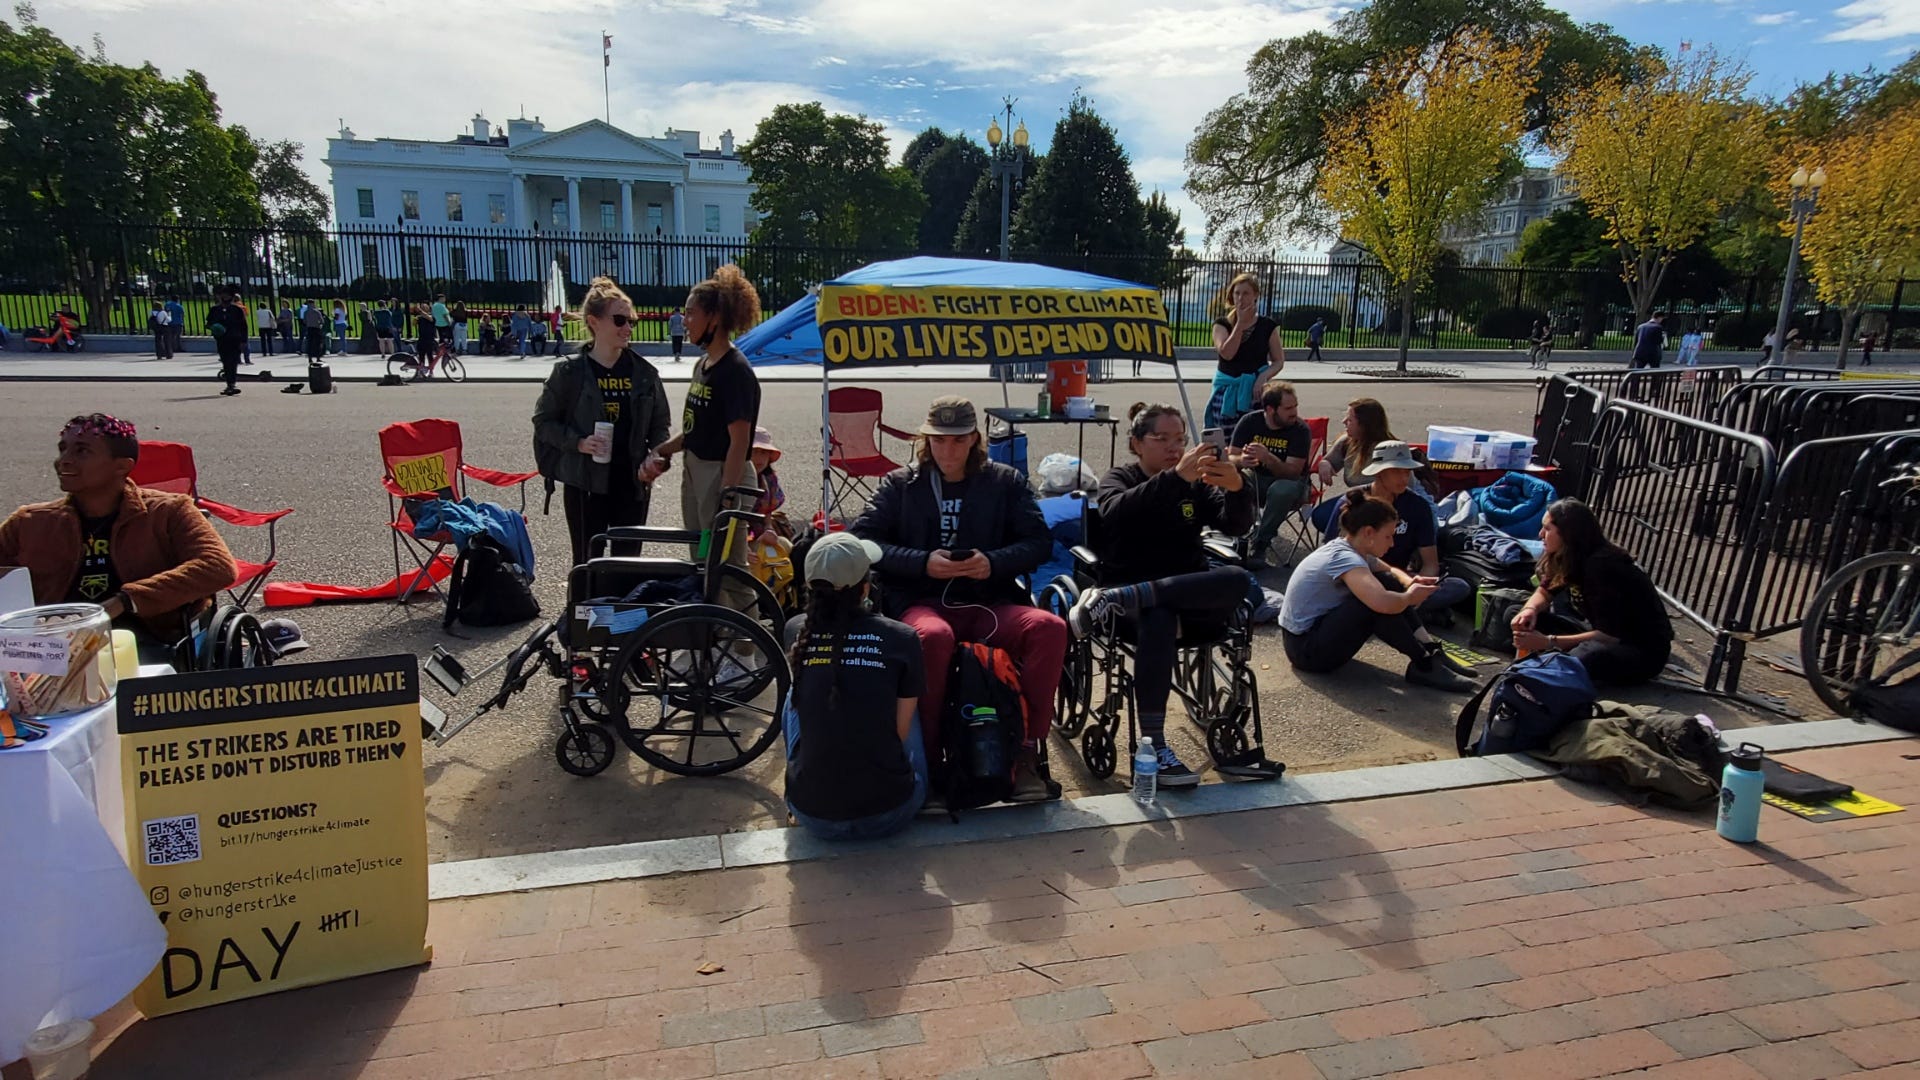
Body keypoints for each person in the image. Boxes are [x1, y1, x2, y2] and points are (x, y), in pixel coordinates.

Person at [850, 396, 1063, 804]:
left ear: (974, 440)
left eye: (957, 440)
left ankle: (1026, 756)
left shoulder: (1004, 481)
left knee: (1049, 628)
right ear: (925, 440)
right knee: (932, 637)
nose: (947, 450)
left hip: (989, 601)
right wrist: (922, 562)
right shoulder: (901, 484)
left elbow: (1039, 541)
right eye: (938, 440)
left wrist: (993, 562)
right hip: (921, 599)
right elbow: (864, 540)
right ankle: (928, 763)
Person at [1067, 402, 1256, 787]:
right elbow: (1115, 514)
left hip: (1185, 589)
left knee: (1237, 577)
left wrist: (1238, 488)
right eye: (1163, 439)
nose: (1175, 448)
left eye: (1181, 440)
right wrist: (1174, 479)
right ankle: (1152, 745)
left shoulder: (1198, 485)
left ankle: (1132, 595)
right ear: (1137, 443)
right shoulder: (1118, 478)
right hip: (1136, 601)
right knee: (1159, 616)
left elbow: (1235, 524)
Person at [0, 414, 238, 663]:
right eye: (63, 449)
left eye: (81, 451)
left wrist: (126, 600)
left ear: (122, 466)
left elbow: (217, 567)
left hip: (144, 638)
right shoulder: (30, 521)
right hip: (51, 645)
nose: (63, 461)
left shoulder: (168, 511)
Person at [782, 533, 927, 840]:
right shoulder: (902, 637)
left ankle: (799, 794)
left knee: (795, 692)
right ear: (865, 587)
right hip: (891, 812)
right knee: (905, 697)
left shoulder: (796, 630)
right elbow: (900, 733)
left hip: (813, 816)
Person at [642, 265, 763, 611]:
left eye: (691, 313)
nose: (685, 321)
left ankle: (744, 650)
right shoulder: (704, 365)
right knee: (702, 558)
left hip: (724, 474)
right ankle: (714, 634)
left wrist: (728, 493)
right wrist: (665, 449)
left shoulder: (736, 371)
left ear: (714, 317)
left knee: (728, 565)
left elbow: (739, 441)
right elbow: (697, 427)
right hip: (696, 470)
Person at [533, 277, 672, 568]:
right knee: (586, 561)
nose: (628, 328)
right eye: (620, 320)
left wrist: (655, 456)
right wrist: (579, 443)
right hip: (585, 482)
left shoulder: (644, 374)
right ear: (594, 322)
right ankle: (584, 611)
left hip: (631, 482)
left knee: (627, 563)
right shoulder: (569, 374)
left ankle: (620, 612)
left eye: (631, 321)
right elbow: (544, 424)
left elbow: (660, 426)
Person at [1279, 490, 1476, 691]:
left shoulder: (1351, 547)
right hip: (1305, 651)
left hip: (1308, 638)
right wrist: (1409, 597)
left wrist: (1408, 581)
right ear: (1368, 533)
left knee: (1387, 581)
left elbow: (1389, 570)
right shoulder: (1345, 559)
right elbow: (1381, 602)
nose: (1392, 543)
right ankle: (1423, 663)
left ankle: (1430, 649)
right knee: (1373, 605)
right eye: (1388, 536)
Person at [1510, 498, 1671, 687]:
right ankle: (1552, 657)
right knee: (1514, 614)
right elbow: (1546, 591)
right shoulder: (1569, 555)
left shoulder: (1602, 567)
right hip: (1597, 633)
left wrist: (1548, 642)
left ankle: (1553, 660)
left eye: (1547, 529)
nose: (1540, 534)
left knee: (1589, 657)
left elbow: (1608, 636)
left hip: (1638, 648)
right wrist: (1530, 610)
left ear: (1568, 534)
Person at [1347, 441, 1470, 617]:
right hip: (1359, 577)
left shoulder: (1418, 506)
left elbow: (1430, 563)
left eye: (1407, 472)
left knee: (1458, 586)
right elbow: (1333, 552)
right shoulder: (1354, 501)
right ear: (1379, 472)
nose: (1404, 478)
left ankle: (1399, 608)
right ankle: (1401, 611)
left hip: (1402, 577)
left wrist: (1417, 586)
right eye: (1397, 471)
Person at [1233, 381, 1312, 571]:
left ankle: (1260, 543)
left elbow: (1293, 473)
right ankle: (1236, 535)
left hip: (1293, 485)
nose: (1294, 412)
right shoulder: (1250, 422)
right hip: (1257, 478)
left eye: (1295, 406)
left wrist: (1267, 457)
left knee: (1281, 490)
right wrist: (1242, 460)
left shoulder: (1300, 430)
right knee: (1234, 479)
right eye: (1288, 408)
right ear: (1270, 409)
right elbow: (1230, 455)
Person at [1207, 273, 1285, 430]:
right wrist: (1240, 325)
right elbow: (1227, 353)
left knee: (1253, 441)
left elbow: (1278, 361)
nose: (1240, 298)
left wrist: (1263, 377)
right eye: (1237, 293)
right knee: (1226, 441)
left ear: (1255, 295)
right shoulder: (1221, 324)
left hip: (1255, 392)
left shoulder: (1267, 325)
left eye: (1246, 293)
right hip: (1227, 393)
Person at [1320, 397, 1396, 490]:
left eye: (1350, 420)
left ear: (1365, 425)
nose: (1343, 421)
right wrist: (1324, 464)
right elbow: (1329, 461)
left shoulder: (1390, 451)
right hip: (1359, 499)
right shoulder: (1346, 442)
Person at [208, 288, 248, 396]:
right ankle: (229, 383)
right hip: (222, 339)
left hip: (235, 339)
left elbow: (243, 325)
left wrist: (244, 340)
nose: (225, 298)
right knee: (226, 361)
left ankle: (232, 384)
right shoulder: (215, 310)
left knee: (233, 361)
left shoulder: (237, 310)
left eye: (227, 296)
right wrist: (214, 327)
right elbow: (209, 322)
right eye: (223, 296)